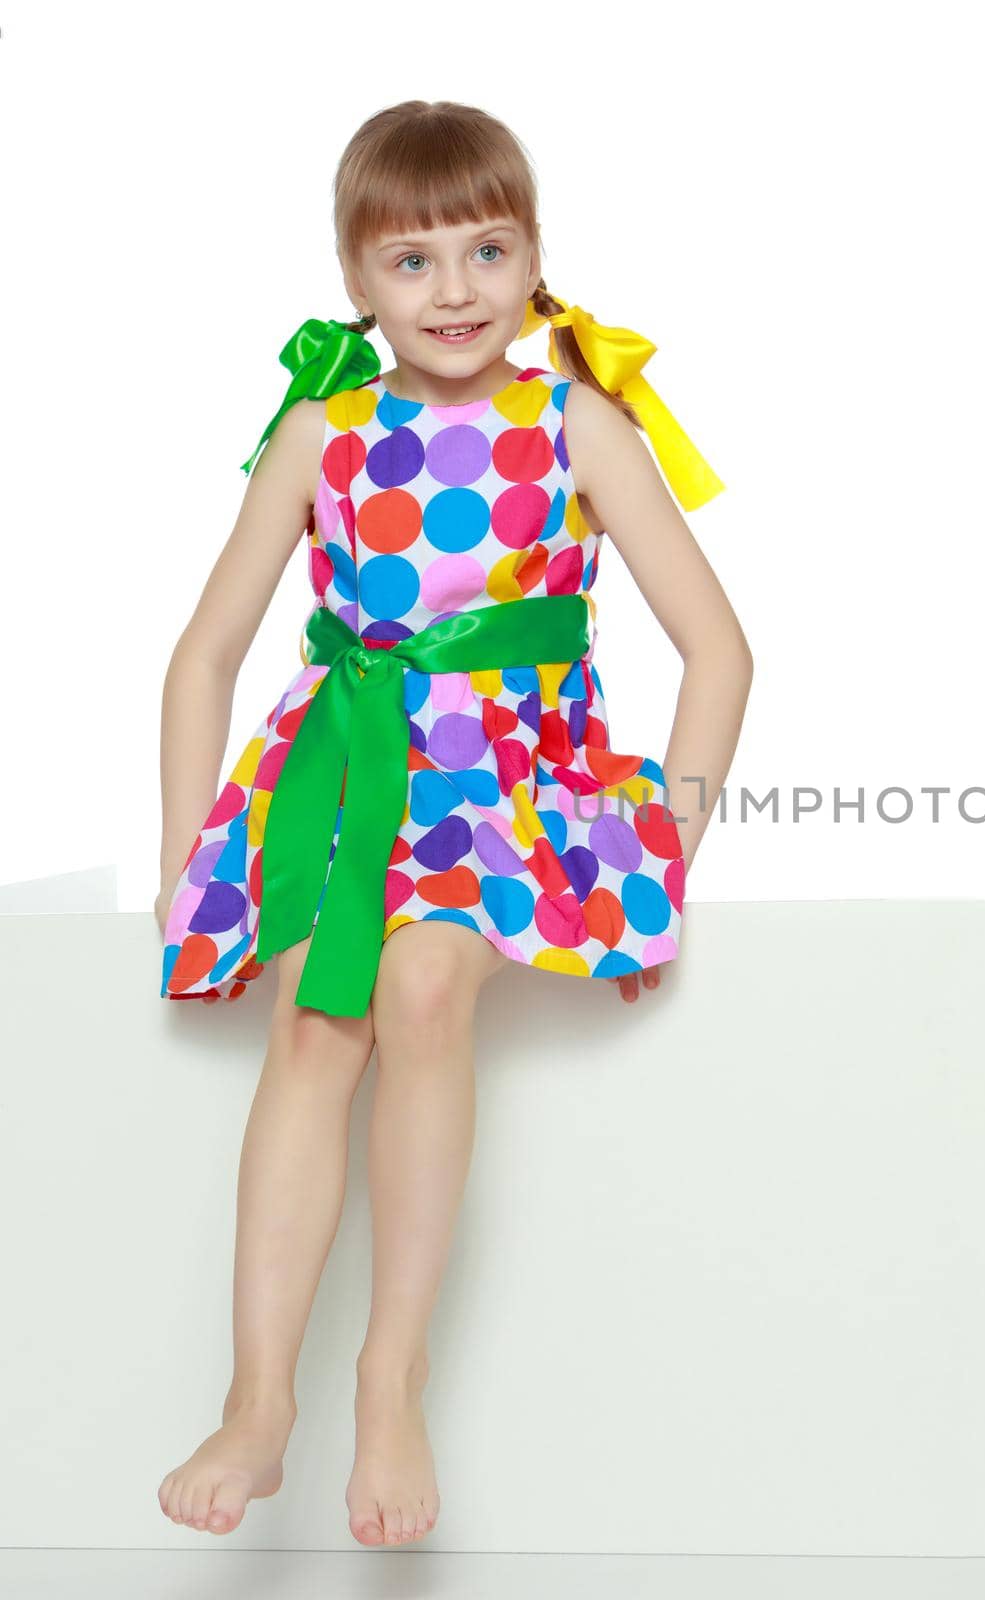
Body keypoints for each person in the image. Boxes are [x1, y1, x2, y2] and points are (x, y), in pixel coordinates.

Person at [153, 99, 753, 1547]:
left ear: (536, 259)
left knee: (423, 983)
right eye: (411, 262)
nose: (456, 291)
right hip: (346, 782)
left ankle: (390, 1374)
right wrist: (192, 862)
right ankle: (259, 1397)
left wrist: (656, 855)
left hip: (516, 792)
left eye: (488, 250)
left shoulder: (577, 423)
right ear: (358, 281)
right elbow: (205, 654)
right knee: (313, 1014)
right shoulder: (325, 429)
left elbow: (719, 652)